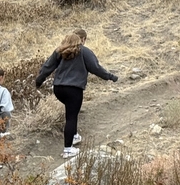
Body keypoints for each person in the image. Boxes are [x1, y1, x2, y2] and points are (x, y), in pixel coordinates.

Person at [36, 29, 119, 159]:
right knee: (71, 116)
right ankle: (68, 149)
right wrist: (110, 77)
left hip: (58, 88)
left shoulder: (59, 51)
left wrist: (39, 81)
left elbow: (47, 66)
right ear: (82, 40)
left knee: (71, 112)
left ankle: (74, 136)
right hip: (74, 89)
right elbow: (95, 68)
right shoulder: (84, 52)